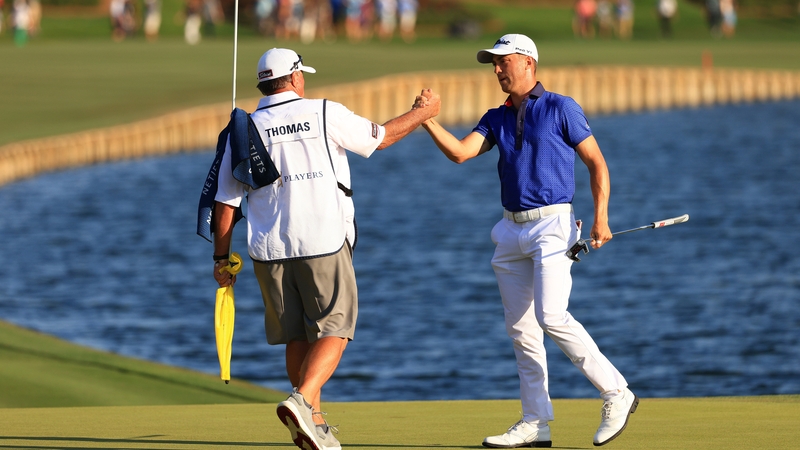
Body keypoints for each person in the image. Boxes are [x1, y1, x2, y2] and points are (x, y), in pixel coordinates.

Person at [204, 48, 440, 450]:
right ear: (295, 79)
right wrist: (424, 111)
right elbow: (380, 139)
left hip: (269, 249)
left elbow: (224, 206)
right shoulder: (324, 111)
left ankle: (312, 421)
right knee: (336, 326)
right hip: (322, 240)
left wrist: (220, 259)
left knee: (297, 335)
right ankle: (301, 400)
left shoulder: (242, 129)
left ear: (263, 83)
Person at [415, 34, 637, 448]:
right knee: (522, 330)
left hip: (553, 226)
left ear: (529, 64)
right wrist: (427, 118)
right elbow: (462, 153)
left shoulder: (561, 107)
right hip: (510, 230)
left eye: (504, 61)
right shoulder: (495, 117)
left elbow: (596, 162)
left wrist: (602, 215)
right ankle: (536, 421)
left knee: (552, 315)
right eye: (493, 63)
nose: (497, 69)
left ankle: (616, 391)